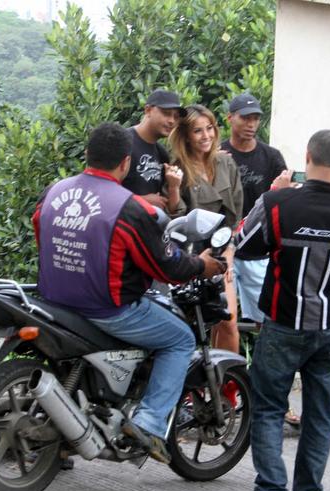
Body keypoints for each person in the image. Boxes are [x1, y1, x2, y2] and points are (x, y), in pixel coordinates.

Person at [33, 122, 225, 464]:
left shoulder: (54, 190)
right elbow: (166, 268)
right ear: (125, 163)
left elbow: (40, 227)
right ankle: (149, 423)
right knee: (180, 339)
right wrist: (201, 265)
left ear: (88, 155)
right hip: (107, 309)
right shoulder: (129, 208)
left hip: (52, 298)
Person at [234, 129, 330, 491]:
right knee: (317, 417)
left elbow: (244, 245)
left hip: (282, 325)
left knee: (267, 410)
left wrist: (275, 198)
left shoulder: (278, 204)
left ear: (308, 156)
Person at [219, 93, 299, 425]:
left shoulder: (270, 156)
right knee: (222, 324)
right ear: (230, 119)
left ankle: (274, 398)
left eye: (255, 118)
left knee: (270, 327)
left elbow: (282, 202)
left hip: (257, 254)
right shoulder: (219, 153)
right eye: (245, 118)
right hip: (222, 252)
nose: (251, 124)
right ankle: (225, 395)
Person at [169, 104, 243, 353]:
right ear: (186, 135)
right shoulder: (177, 167)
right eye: (198, 131)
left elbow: (235, 216)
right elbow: (175, 217)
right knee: (190, 326)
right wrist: (173, 187)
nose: (206, 136)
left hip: (221, 251)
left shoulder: (225, 163)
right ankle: (196, 386)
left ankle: (227, 385)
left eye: (209, 128)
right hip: (190, 255)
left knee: (228, 320)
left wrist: (229, 254)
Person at [123, 89, 186, 215]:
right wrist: (141, 200)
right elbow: (101, 189)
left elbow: (169, 208)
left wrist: (174, 187)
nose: (172, 121)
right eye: (166, 113)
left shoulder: (162, 154)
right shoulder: (123, 141)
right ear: (148, 110)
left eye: (176, 117)